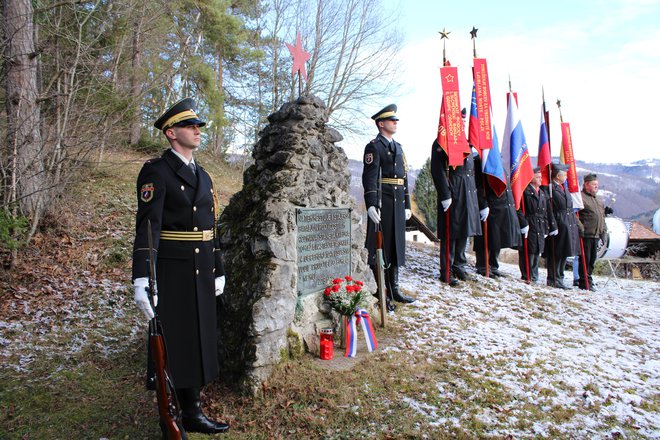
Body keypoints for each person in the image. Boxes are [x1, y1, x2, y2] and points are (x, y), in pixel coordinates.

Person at [132, 98, 229, 435]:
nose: (197, 130)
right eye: (191, 126)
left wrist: (218, 267)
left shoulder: (203, 175)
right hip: (172, 271)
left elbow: (212, 227)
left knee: (199, 339)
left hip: (201, 267)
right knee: (174, 343)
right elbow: (148, 227)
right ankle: (169, 416)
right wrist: (142, 276)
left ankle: (193, 411)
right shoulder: (157, 172)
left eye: (199, 126)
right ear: (171, 133)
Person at [362, 104, 415, 308]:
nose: (396, 122)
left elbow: (404, 178)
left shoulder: (399, 147)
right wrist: (371, 204)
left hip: (398, 204)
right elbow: (370, 177)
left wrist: (408, 203)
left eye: (396, 120)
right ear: (381, 124)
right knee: (381, 248)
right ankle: (381, 292)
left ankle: (394, 288)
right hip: (383, 204)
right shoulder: (374, 147)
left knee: (395, 247)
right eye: (392, 120)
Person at [431, 141, 484, 286]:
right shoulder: (443, 140)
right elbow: (437, 170)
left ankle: (459, 266)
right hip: (454, 190)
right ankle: (446, 270)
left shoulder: (467, 141)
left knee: (464, 230)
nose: (463, 121)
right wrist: (445, 193)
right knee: (451, 232)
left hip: (468, 190)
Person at [473, 165, 521, 278]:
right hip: (489, 206)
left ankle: (493, 266)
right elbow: (478, 186)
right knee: (486, 238)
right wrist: (483, 204)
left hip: (500, 207)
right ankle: (483, 266)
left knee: (496, 239)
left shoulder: (497, 161)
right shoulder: (481, 161)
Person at [516, 167, 557, 282]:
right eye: (537, 176)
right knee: (528, 251)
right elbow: (518, 209)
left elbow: (546, 213)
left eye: (540, 177)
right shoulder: (525, 191)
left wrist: (546, 228)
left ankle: (534, 276)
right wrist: (523, 223)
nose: (540, 179)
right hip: (530, 223)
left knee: (536, 251)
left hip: (540, 225)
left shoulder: (542, 194)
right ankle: (527, 275)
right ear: (531, 177)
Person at [544, 163, 580, 289]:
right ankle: (553, 278)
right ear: (557, 176)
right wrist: (553, 224)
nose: (566, 177)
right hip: (559, 221)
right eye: (564, 174)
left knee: (565, 251)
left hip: (568, 222)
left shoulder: (563, 188)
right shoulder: (551, 189)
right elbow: (549, 208)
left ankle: (560, 277)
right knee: (556, 252)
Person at [576, 173, 607, 291]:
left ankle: (589, 278)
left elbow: (602, 217)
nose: (596, 186)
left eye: (597, 184)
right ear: (586, 185)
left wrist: (603, 232)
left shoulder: (598, 200)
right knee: (585, 259)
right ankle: (584, 281)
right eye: (594, 184)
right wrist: (581, 228)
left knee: (592, 260)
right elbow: (575, 215)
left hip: (596, 234)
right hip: (586, 234)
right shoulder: (581, 198)